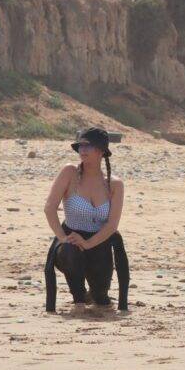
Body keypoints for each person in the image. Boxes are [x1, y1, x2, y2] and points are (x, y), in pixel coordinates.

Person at [43, 127, 128, 312]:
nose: (82, 149)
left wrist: (88, 243)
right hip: (71, 240)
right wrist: (62, 237)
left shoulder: (115, 184)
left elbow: (112, 225)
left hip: (100, 242)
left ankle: (93, 294)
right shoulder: (69, 172)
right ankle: (78, 298)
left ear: (101, 151)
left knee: (100, 298)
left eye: (88, 146)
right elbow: (49, 208)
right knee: (70, 250)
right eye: (80, 145)